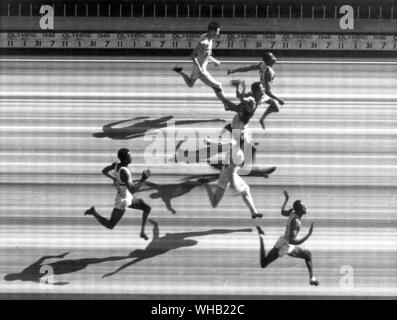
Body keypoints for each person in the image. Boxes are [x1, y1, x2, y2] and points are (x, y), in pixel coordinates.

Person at [84, 148, 152, 240]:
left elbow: (104, 171)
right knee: (110, 225)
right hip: (122, 201)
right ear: (125, 159)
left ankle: (142, 233)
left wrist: (115, 178)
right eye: (130, 156)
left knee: (147, 208)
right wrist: (143, 179)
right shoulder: (124, 171)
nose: (131, 157)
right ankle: (93, 212)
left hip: (127, 195)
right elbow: (132, 189)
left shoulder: (116, 165)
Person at [256, 190, 319, 286]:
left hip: (284, 242)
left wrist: (286, 199)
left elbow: (282, 212)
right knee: (263, 264)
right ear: (299, 210)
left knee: (307, 254)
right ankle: (261, 237)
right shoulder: (296, 222)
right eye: (303, 207)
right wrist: (308, 235)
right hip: (285, 246)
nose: (305, 208)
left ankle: (312, 278)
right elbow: (292, 241)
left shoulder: (292, 212)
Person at [204, 145, 275, 219]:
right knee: (214, 203)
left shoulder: (235, 152)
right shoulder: (238, 157)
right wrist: (233, 186)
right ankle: (206, 184)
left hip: (230, 174)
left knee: (246, 189)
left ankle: (254, 213)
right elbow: (230, 173)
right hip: (226, 178)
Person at [227, 52, 285, 129]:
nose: (275, 58)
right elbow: (268, 92)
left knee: (247, 103)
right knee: (250, 113)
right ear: (268, 61)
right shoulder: (268, 73)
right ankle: (238, 120)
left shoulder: (262, 65)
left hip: (258, 89)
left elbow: (246, 69)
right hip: (261, 93)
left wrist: (233, 71)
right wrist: (279, 99)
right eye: (272, 57)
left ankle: (234, 108)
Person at [173, 21, 223, 96]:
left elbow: (206, 55)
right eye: (217, 31)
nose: (218, 33)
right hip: (201, 71)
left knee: (190, 84)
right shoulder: (204, 42)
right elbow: (193, 56)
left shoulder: (209, 39)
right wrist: (200, 69)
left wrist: (214, 61)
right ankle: (226, 105)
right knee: (218, 86)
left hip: (199, 69)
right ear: (212, 31)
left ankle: (180, 71)